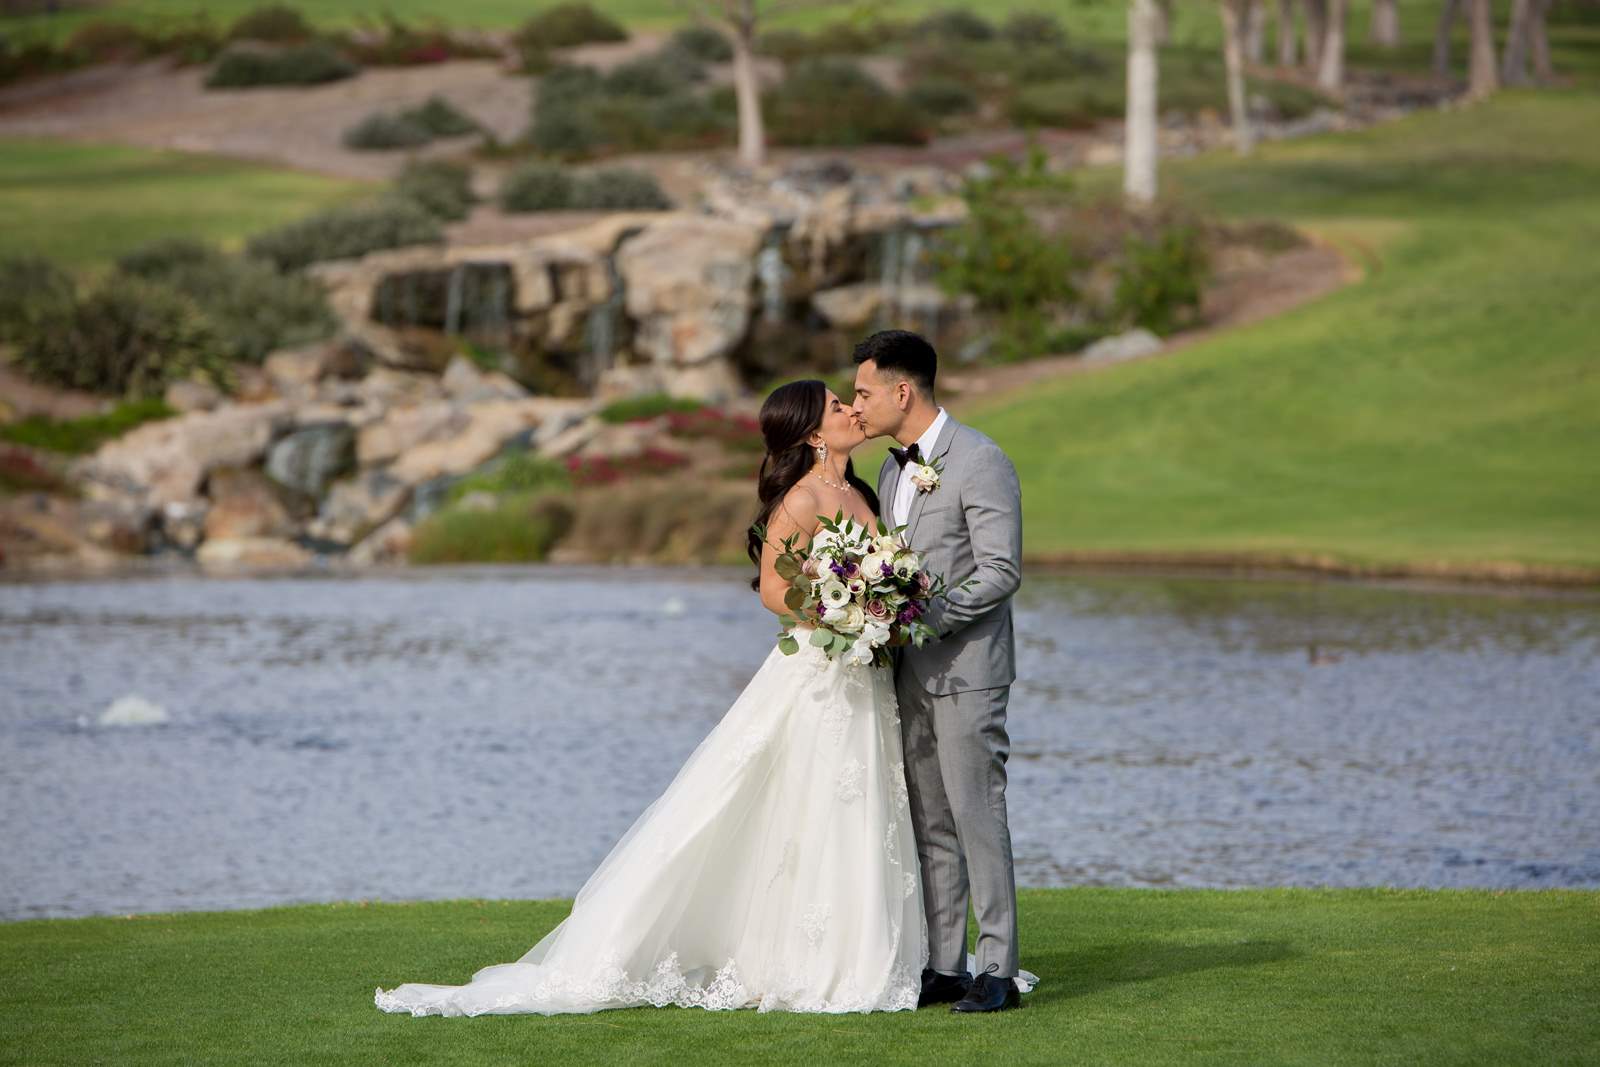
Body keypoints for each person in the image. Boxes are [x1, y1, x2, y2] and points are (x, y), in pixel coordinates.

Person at [373, 379, 925, 1016]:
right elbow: (774, 591)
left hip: (863, 671)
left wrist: (878, 607)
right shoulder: (801, 498)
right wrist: (842, 612)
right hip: (819, 672)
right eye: (836, 406)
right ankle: (797, 960)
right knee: (801, 800)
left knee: (854, 801)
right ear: (812, 433)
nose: (851, 409)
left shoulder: (860, 492)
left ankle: (859, 954)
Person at [851, 329, 1027, 1013]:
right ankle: (946, 965)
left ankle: (999, 970)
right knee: (930, 821)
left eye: (863, 392)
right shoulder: (891, 470)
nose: (856, 405)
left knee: (977, 813)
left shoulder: (980, 459)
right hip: (907, 673)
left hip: (967, 670)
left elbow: (1000, 570)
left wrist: (924, 618)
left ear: (902, 391)